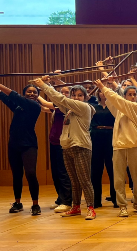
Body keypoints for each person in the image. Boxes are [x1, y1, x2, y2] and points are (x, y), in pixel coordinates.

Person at [0, 73, 42, 215]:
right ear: (25, 93)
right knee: (17, 174)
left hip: (29, 144)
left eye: (34, 92)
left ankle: (35, 204)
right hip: (14, 144)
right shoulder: (19, 107)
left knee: (31, 173)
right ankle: (18, 203)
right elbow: (2, 95)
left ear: (37, 96)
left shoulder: (35, 106)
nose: (31, 93)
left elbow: (12, 94)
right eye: (29, 91)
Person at [35, 76, 97, 220]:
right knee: (74, 181)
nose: (76, 97)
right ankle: (75, 207)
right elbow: (57, 100)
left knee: (84, 180)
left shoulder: (84, 107)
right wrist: (47, 85)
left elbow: (61, 100)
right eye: (74, 95)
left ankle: (90, 208)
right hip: (67, 147)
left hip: (81, 146)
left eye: (80, 95)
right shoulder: (69, 110)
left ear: (85, 97)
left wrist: (44, 86)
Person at [96, 79, 137, 217]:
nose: (132, 97)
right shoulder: (119, 109)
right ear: (125, 96)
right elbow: (111, 100)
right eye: (129, 94)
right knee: (118, 178)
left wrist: (103, 87)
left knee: (136, 177)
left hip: (135, 145)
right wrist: (106, 84)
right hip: (118, 146)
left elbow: (118, 100)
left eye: (134, 94)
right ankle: (122, 205)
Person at [39, 86, 72, 213]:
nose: (63, 94)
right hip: (54, 143)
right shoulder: (57, 107)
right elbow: (44, 108)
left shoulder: (66, 106)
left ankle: (66, 201)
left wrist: (37, 93)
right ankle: (60, 198)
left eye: (67, 92)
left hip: (63, 144)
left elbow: (46, 103)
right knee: (56, 173)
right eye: (61, 92)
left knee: (63, 173)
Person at [87, 82, 117, 208]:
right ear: (98, 93)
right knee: (96, 170)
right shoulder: (92, 106)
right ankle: (96, 200)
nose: (103, 93)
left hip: (111, 136)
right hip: (96, 136)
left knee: (113, 169)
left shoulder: (114, 106)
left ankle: (116, 199)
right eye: (101, 90)